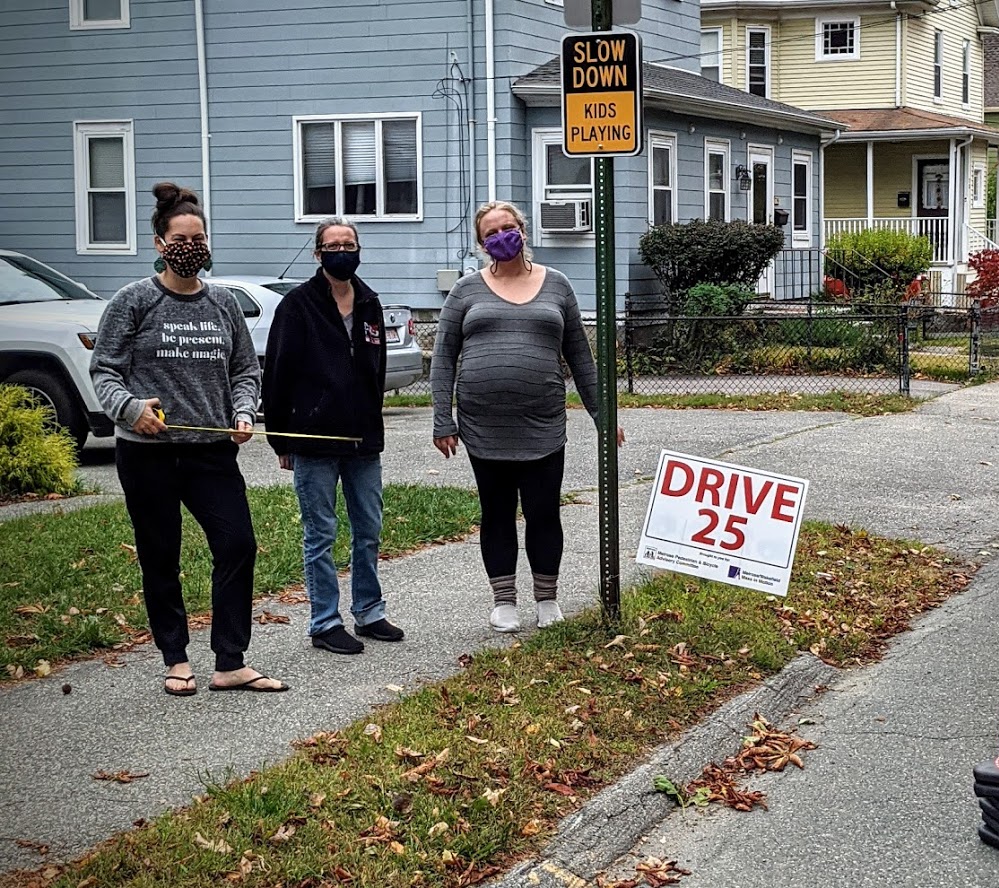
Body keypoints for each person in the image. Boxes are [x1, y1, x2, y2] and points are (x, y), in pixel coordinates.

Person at [90, 182, 286, 694]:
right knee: (161, 552)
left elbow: (246, 370)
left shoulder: (222, 303)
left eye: (200, 238)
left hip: (212, 452)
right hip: (147, 454)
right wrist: (132, 410)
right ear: (160, 243)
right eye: (182, 238)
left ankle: (230, 660)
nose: (192, 246)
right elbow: (104, 370)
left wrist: (243, 412)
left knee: (237, 543)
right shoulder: (133, 301)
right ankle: (175, 658)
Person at [430, 200, 622, 632]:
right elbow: (443, 359)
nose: (501, 237)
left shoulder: (557, 284)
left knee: (543, 512)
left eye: (507, 228)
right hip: (483, 425)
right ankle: (503, 603)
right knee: (496, 513)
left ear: (522, 229)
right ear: (481, 244)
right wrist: (443, 419)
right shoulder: (465, 290)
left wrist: (603, 417)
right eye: (490, 233)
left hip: (543, 424)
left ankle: (547, 599)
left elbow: (580, 356)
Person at [261, 217, 404, 654]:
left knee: (369, 528)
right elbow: (278, 375)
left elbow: (375, 371)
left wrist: (372, 425)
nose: (342, 250)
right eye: (333, 244)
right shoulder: (298, 305)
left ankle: (369, 611)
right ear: (318, 252)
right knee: (320, 533)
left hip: (363, 440)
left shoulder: (369, 302)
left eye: (349, 243)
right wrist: (281, 440)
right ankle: (325, 621)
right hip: (312, 441)